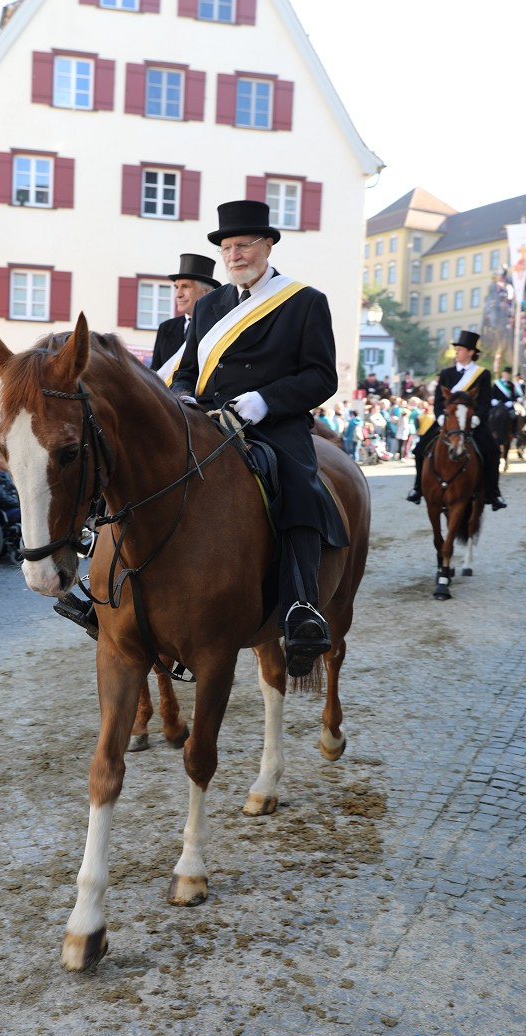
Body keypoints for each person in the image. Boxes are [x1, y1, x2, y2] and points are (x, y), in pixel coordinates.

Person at [169, 199, 348, 677]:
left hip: (273, 421)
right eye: (227, 247)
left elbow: (320, 376)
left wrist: (265, 400)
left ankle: (302, 608)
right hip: (206, 421)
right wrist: (184, 397)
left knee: (299, 485)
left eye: (244, 245)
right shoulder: (209, 307)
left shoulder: (305, 301)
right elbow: (186, 373)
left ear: (267, 245)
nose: (234, 255)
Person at [406, 331, 506, 510]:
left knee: (492, 451)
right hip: (448, 421)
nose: (457, 353)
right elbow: (438, 401)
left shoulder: (482, 374)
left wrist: (476, 418)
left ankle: (493, 493)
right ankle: (418, 488)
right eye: (457, 349)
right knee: (420, 449)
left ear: (470, 352)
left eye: (460, 349)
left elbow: (484, 401)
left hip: (472, 421)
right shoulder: (446, 373)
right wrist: (441, 415)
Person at [150, 254, 221, 379]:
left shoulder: (219, 327)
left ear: (206, 292)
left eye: (186, 287)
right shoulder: (166, 328)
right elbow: (155, 373)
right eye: (176, 287)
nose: (178, 294)